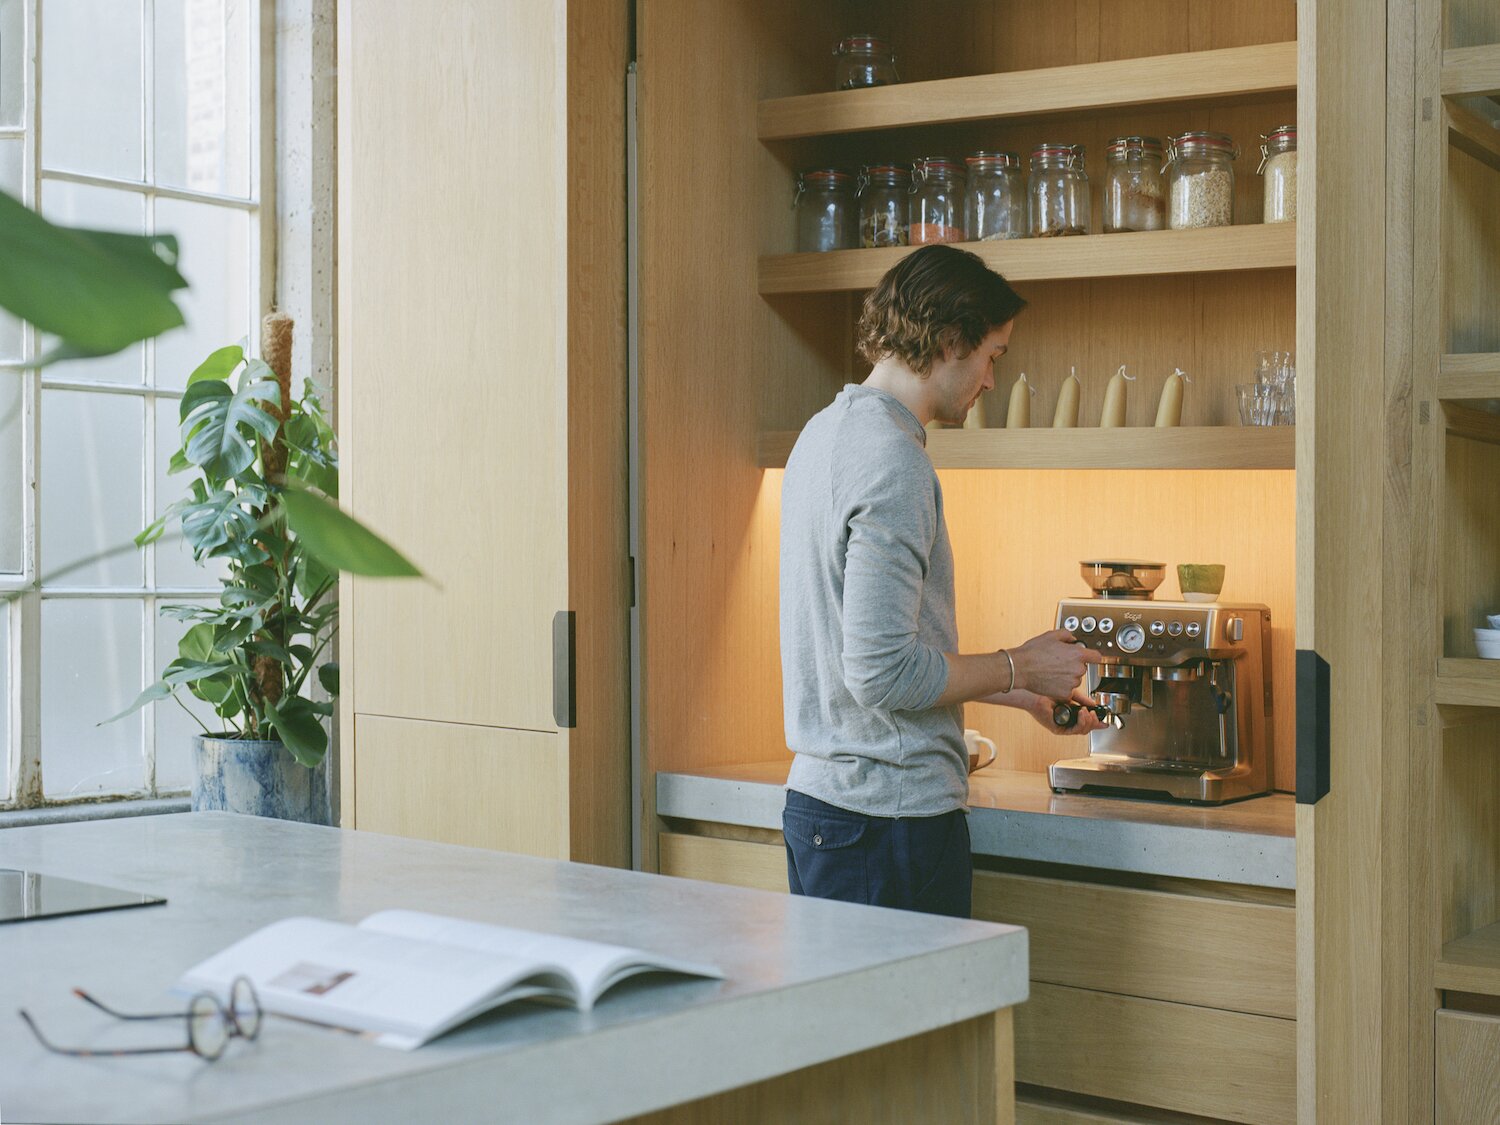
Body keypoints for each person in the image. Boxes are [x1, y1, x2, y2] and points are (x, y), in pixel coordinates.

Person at [778, 243, 1103, 920]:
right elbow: (881, 673)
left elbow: (868, 656)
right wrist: (1017, 664)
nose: (991, 380)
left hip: (825, 809)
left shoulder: (820, 434)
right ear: (950, 339)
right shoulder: (895, 463)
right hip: (889, 822)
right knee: (918, 1031)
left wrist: (1023, 688)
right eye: (993, 355)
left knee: (855, 1030)